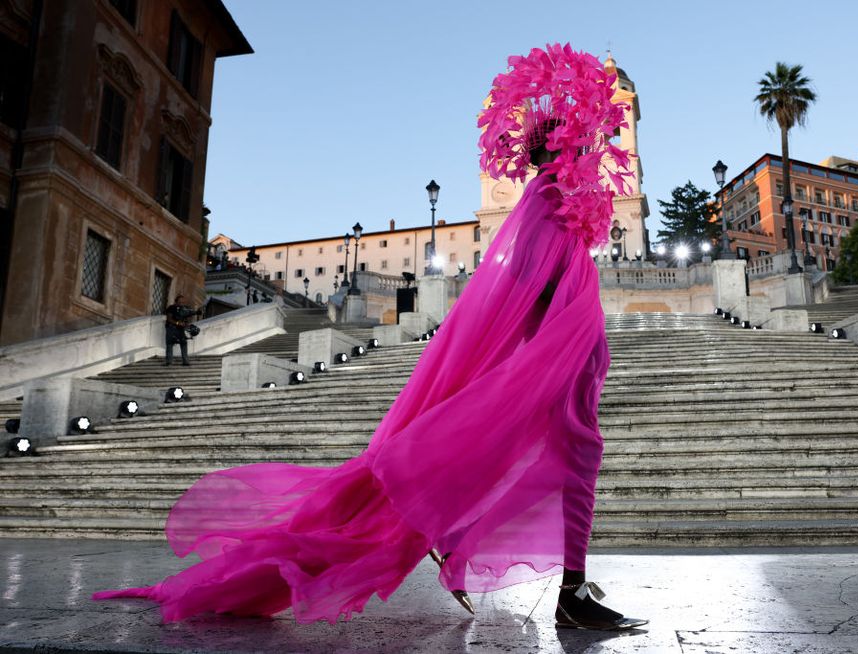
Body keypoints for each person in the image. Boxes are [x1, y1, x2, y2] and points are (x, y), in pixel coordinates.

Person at [95, 44, 645, 631]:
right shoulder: (550, 200)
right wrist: (554, 345)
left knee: (552, 458)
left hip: (564, 359)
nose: (594, 144)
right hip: (557, 363)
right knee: (567, 457)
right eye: (584, 137)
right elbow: (530, 285)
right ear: (565, 146)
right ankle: (566, 589)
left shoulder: (551, 200)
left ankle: (533, 570)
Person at [163, 295, 200, 366]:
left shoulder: (184, 308)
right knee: (170, 343)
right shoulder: (171, 308)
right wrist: (177, 323)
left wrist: (197, 312)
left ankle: (185, 361)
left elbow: (190, 312)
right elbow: (169, 319)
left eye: (183, 302)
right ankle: (169, 362)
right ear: (176, 302)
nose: (181, 303)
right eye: (180, 302)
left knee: (183, 343)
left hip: (181, 329)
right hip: (171, 328)